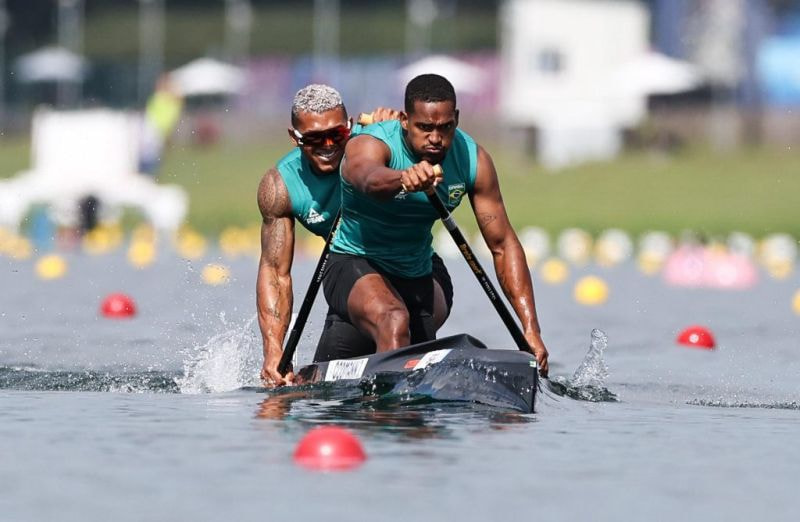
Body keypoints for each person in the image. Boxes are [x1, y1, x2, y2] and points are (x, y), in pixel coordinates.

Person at [324, 73, 549, 376]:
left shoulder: (473, 159)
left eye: (445, 127)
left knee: (401, 330)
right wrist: (402, 178)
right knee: (393, 320)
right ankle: (389, 401)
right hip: (354, 262)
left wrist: (531, 329)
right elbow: (367, 178)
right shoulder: (372, 143)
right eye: (425, 127)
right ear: (405, 121)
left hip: (418, 270)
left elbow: (503, 245)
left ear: (456, 119)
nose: (435, 138)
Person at [257, 84, 455, 386]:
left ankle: (393, 391)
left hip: (417, 269)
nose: (328, 145)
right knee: (312, 386)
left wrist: (392, 132)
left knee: (396, 321)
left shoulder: (373, 143)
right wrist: (273, 350)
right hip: (354, 273)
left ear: (349, 127)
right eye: (314, 138)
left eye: (337, 135)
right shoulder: (280, 186)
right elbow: (275, 272)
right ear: (294, 137)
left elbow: (419, 136)